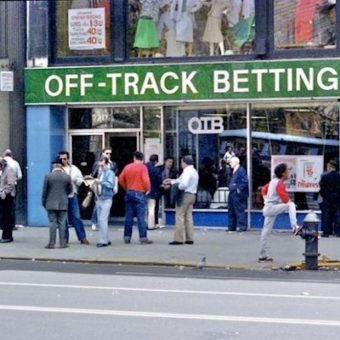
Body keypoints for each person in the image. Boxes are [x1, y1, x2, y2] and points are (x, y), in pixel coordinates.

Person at [259, 163, 301, 263]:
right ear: (283, 173)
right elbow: (286, 200)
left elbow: (263, 190)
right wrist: (291, 205)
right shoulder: (279, 184)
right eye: (287, 171)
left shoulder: (273, 182)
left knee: (265, 232)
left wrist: (266, 200)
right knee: (291, 205)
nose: (288, 173)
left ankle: (262, 256)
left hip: (268, 208)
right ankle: (295, 227)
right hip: (272, 208)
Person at [118, 151, 153, 244]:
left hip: (129, 192)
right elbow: (146, 180)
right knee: (141, 216)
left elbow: (121, 179)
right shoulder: (143, 167)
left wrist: (126, 188)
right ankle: (143, 237)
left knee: (128, 216)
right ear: (142, 159)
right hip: (140, 192)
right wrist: (148, 189)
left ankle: (127, 237)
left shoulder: (127, 167)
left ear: (134, 158)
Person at [165, 155, 199, 245]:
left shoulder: (187, 171)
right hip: (192, 195)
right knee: (189, 217)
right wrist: (172, 181)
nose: (181, 164)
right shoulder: (194, 171)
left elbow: (183, 184)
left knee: (179, 216)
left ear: (184, 162)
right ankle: (190, 238)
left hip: (184, 195)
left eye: (181, 162)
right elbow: (180, 180)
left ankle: (178, 239)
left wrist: (176, 186)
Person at [58, 151, 90, 245]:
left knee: (76, 216)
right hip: (62, 195)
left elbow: (81, 181)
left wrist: (76, 180)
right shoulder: (57, 169)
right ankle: (64, 238)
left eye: (64, 158)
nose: (62, 160)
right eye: (61, 159)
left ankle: (82, 237)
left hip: (73, 194)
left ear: (68, 159)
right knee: (63, 217)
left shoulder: (74, 169)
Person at [41, 160, 72, 249]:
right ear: (60, 167)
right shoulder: (67, 177)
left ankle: (52, 243)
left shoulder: (48, 176)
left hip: (50, 203)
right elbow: (70, 190)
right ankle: (63, 243)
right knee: (62, 223)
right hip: (63, 203)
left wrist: (43, 203)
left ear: (53, 167)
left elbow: (44, 191)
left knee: (52, 223)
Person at [90, 147, 117, 231]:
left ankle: (103, 222)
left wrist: (115, 186)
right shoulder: (97, 163)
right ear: (103, 153)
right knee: (97, 205)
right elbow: (93, 174)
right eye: (107, 153)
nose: (108, 155)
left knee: (107, 205)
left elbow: (115, 175)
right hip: (98, 186)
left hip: (107, 186)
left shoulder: (113, 164)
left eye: (110, 153)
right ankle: (94, 222)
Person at [93, 156, 115, 247]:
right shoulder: (100, 173)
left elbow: (110, 185)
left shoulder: (110, 173)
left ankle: (103, 241)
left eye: (102, 164)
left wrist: (100, 182)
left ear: (106, 163)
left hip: (106, 198)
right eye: (99, 164)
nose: (100, 166)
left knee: (102, 219)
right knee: (101, 220)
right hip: (99, 197)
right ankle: (105, 239)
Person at [319, 160, 340, 237]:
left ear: (330, 166)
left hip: (327, 199)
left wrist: (325, 196)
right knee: (338, 215)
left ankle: (327, 232)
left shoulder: (325, 176)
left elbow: (321, 189)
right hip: (338, 199)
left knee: (326, 216)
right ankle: (338, 232)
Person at [227, 156, 249, 232]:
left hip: (236, 194)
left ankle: (242, 226)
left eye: (231, 162)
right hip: (232, 192)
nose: (230, 164)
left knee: (239, 209)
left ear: (236, 162)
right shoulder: (234, 170)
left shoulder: (241, 170)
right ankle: (232, 226)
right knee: (231, 210)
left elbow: (245, 181)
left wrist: (238, 189)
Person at [3, 149, 23, 230]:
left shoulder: (2, 162)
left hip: (2, 186)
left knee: (2, 207)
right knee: (11, 206)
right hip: (12, 186)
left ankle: (3, 224)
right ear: (11, 155)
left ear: (4, 155)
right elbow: (20, 176)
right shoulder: (15, 163)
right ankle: (12, 224)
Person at [0, 158, 16, 243]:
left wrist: (4, 193)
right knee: (4, 217)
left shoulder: (9, 170)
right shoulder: (4, 170)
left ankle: (7, 236)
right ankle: (5, 235)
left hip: (8, 197)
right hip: (4, 196)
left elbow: (11, 184)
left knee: (7, 217)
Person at [146, 154, 162, 230]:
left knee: (143, 209)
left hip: (142, 190)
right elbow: (160, 180)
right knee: (151, 208)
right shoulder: (156, 170)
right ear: (156, 161)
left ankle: (144, 224)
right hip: (152, 190)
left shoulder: (144, 167)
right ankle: (151, 225)